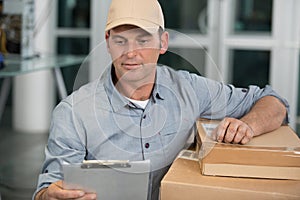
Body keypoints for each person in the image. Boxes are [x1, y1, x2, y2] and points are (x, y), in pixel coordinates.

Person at [33, 0, 289, 199]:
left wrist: (248, 126)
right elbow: (47, 188)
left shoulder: (189, 88)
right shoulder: (73, 113)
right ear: (108, 43)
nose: (131, 53)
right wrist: (51, 196)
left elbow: (272, 100)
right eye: (121, 41)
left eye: (143, 40)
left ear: (163, 42)